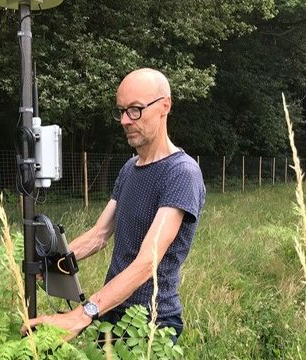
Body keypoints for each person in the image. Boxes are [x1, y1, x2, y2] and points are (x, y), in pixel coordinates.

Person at [22, 68, 206, 343]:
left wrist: (81, 315)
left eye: (135, 110)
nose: (125, 120)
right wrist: (50, 263)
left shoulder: (181, 173)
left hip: (150, 324)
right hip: (111, 313)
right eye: (121, 111)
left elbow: (147, 263)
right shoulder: (130, 169)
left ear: (164, 106)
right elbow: (99, 235)